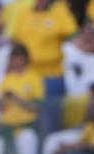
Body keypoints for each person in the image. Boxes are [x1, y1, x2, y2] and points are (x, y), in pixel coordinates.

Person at [7, 0, 77, 141]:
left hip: (52, 76)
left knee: (49, 125)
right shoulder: (24, 13)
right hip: (28, 77)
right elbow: (15, 43)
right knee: (28, 124)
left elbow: (72, 34)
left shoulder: (59, 10)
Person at [0, 44, 43, 154]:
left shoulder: (34, 78)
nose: (16, 62)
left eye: (19, 58)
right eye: (13, 59)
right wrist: (5, 99)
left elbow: (37, 106)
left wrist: (17, 99)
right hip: (7, 128)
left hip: (26, 127)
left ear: (25, 59)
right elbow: (0, 107)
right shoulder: (7, 79)